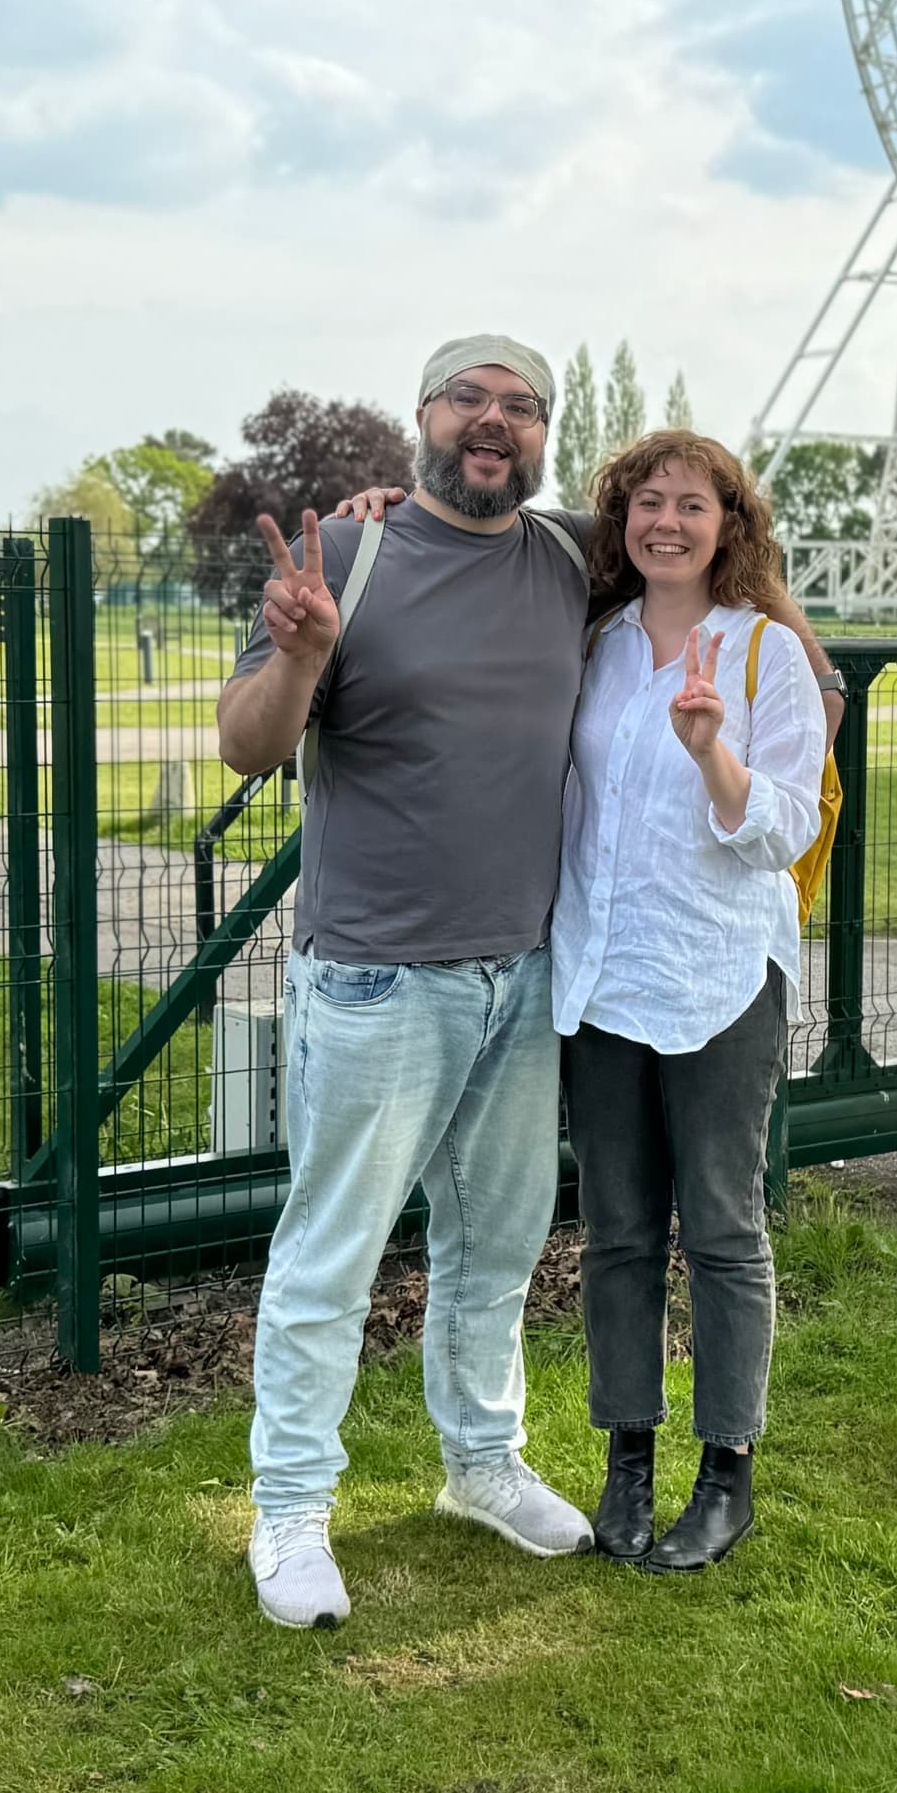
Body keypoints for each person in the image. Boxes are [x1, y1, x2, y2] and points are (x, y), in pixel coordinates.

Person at [213, 338, 601, 1630]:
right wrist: (305, 655)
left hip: (524, 974)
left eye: (521, 407)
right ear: (421, 418)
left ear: (547, 435)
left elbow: (704, 543)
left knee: (494, 1251)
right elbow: (245, 748)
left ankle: (481, 1467)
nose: (493, 423)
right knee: (331, 1258)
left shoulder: (568, 562)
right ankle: (289, 1512)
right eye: (468, 399)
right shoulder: (345, 554)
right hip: (379, 983)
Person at [551, 432, 824, 1573]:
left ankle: (726, 1475)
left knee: (720, 1231)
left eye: (692, 504)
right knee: (615, 1234)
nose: (667, 521)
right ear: (619, 521)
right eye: (645, 502)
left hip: (718, 976)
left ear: (731, 524)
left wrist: (714, 755)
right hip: (604, 976)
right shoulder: (597, 645)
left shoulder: (767, 655)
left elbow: (788, 828)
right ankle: (625, 1465)